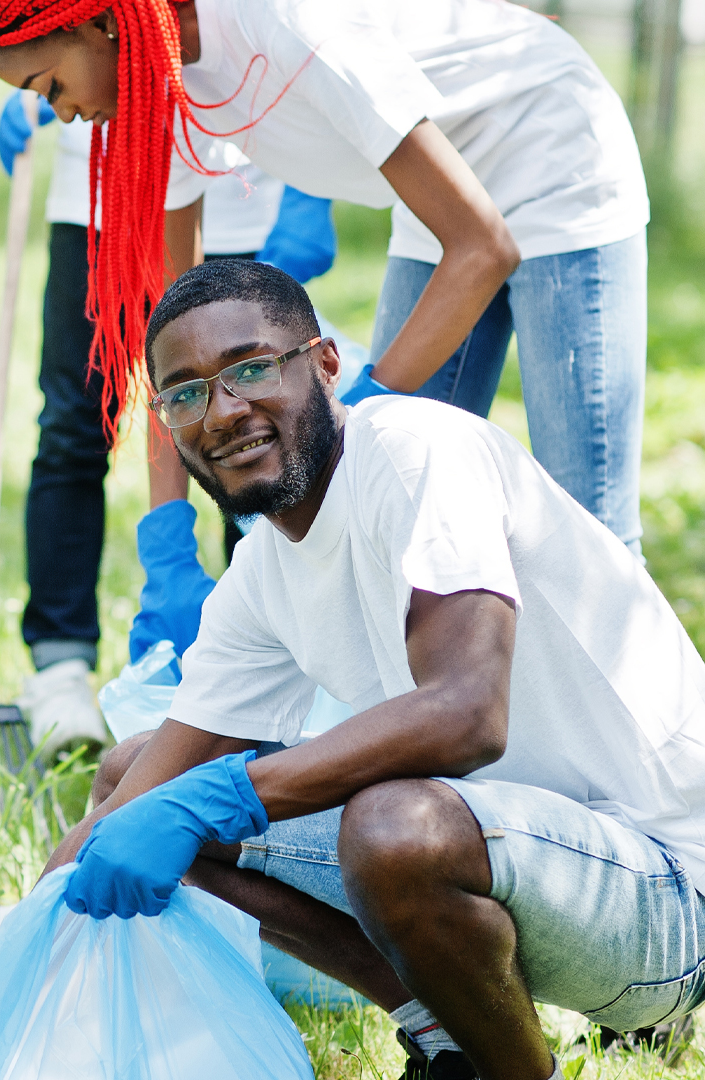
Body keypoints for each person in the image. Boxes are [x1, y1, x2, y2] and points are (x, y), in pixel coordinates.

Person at [57, 260, 705, 1080]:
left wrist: (220, 796)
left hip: (667, 893)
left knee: (392, 828)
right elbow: (124, 812)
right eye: (186, 394)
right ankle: (447, 1044)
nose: (224, 412)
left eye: (251, 369)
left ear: (325, 364)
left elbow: (467, 714)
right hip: (514, 855)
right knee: (131, 780)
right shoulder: (263, 574)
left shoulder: (414, 453)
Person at [0, 0, 649, 554]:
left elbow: (481, 246)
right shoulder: (165, 81)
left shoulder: (290, 21)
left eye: (49, 86)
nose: (62, 114)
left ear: (98, 22)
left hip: (553, 149)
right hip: (440, 189)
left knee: (587, 529)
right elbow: (180, 339)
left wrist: (353, 420)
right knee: (403, 511)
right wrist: (165, 535)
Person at [0, 92, 336, 757]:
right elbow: (169, 392)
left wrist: (307, 187)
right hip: (95, 201)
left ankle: (267, 664)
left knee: (257, 430)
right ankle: (61, 668)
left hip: (249, 196)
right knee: (74, 420)